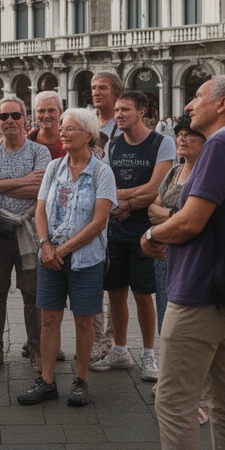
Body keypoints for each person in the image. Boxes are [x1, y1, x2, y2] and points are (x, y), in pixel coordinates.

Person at [139, 76, 225, 450]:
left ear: (222, 103)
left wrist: (152, 233)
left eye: (197, 97)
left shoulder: (223, 146)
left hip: (199, 290)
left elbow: (190, 221)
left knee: (174, 403)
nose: (189, 105)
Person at [18, 107, 116, 407]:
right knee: (48, 319)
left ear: (89, 135)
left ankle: (81, 380)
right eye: (62, 127)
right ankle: (47, 382)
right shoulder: (54, 168)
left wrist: (60, 250)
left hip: (86, 259)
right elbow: (40, 209)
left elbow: (99, 222)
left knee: (84, 320)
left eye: (70, 128)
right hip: (50, 256)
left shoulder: (102, 172)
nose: (62, 131)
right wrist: (46, 244)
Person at [92, 91, 173, 381]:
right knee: (114, 293)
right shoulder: (112, 145)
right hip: (116, 230)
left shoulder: (162, 143)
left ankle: (149, 354)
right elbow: (104, 186)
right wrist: (124, 200)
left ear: (142, 111)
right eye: (116, 110)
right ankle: (120, 350)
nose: (118, 114)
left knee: (143, 295)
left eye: (125, 109)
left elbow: (156, 188)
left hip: (147, 232)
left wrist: (122, 201)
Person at [0, 96, 52, 372]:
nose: (10, 121)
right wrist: (22, 181)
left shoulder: (39, 151)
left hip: (29, 233)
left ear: (25, 119)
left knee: (32, 293)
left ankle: (35, 346)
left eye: (16, 116)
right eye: (4, 116)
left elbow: (40, 190)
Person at [147, 116, 210, 423]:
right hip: (165, 254)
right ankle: (169, 379)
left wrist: (169, 218)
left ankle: (198, 394)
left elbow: (193, 220)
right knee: (166, 317)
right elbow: (152, 208)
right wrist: (175, 216)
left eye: (190, 135)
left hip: (192, 259)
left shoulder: (207, 173)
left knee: (190, 327)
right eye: (180, 134)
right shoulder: (174, 171)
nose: (183, 139)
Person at [87, 72, 124, 359]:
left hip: (117, 211)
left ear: (116, 93)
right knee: (94, 280)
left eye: (103, 88)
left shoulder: (122, 126)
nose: (97, 92)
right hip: (89, 211)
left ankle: (110, 339)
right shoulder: (87, 122)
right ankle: (96, 338)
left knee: (114, 283)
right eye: (94, 88)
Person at [30, 91, 65, 159]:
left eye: (51, 111)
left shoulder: (72, 142)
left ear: (60, 112)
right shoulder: (28, 141)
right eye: (41, 111)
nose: (46, 116)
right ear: (35, 113)